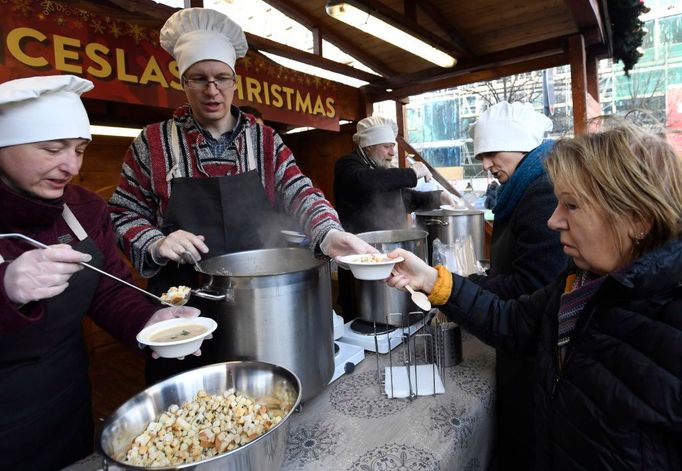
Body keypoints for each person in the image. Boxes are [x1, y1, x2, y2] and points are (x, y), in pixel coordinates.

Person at [387, 121, 682, 470]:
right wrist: (431, 280)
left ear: (637, 219)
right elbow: (512, 321)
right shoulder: (580, 283)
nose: (553, 221)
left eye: (571, 205)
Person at [108, 8, 373, 383]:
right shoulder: (152, 143)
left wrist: (328, 232)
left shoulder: (263, 140)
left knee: (260, 395)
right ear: (182, 81)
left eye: (221, 79)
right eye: (199, 79)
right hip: (184, 303)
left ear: (235, 82)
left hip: (258, 302)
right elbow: (122, 213)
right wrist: (156, 241)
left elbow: (298, 190)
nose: (212, 90)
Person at [0, 75, 198, 471]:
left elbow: (108, 288)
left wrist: (150, 319)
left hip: (65, 398)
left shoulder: (84, 208)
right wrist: (6, 288)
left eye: (79, 150)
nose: (70, 166)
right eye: (52, 149)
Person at [466, 101, 568, 470]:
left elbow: (532, 283)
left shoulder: (541, 191)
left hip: (532, 353)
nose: (486, 164)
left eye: (492, 153)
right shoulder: (526, 184)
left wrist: (468, 286)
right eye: (481, 155)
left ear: (520, 145)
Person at [334, 115, 461, 234]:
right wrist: (412, 172)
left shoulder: (381, 171)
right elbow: (365, 181)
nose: (392, 153)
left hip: (394, 242)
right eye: (386, 147)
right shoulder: (347, 164)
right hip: (361, 248)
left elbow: (406, 200)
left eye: (393, 146)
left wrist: (439, 197)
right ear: (368, 147)